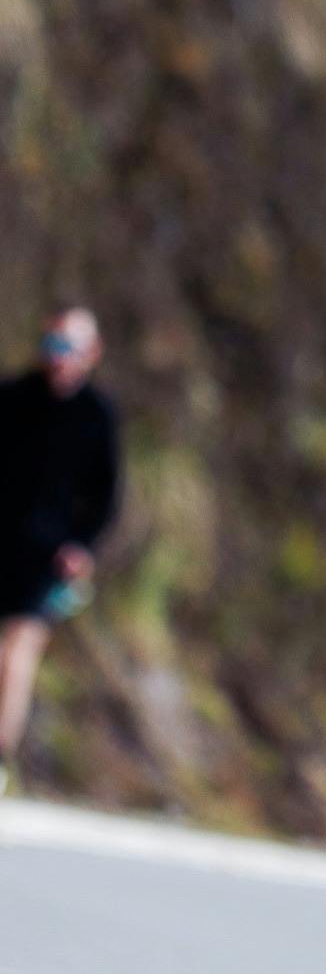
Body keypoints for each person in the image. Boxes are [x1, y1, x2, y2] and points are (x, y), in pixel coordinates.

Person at [0, 307, 121, 796]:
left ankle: (1, 753)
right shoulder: (12, 397)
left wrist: (81, 546)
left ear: (91, 354)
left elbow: (106, 495)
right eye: (51, 346)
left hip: (47, 557)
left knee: (17, 653)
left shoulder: (97, 416)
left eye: (67, 349)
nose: (57, 359)